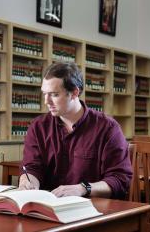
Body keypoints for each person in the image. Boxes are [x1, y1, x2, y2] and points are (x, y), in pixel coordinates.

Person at [19, 62, 132, 199]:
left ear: (74, 93)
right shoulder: (38, 127)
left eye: (54, 95)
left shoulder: (108, 128)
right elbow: (32, 168)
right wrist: (27, 181)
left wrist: (83, 188)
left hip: (93, 209)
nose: (46, 101)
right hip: (48, 209)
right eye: (44, 94)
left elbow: (119, 179)